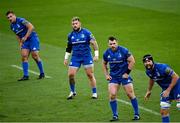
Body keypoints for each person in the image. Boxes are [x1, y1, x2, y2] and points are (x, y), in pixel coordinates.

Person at [102, 36, 140, 121]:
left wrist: (127, 73)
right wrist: (106, 75)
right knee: (112, 95)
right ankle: (115, 115)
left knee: (130, 94)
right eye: (111, 44)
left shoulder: (124, 50)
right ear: (108, 44)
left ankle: (137, 114)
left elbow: (132, 61)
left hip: (124, 76)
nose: (113, 45)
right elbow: (104, 64)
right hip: (114, 77)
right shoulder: (106, 53)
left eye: (114, 43)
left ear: (117, 43)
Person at [64, 17, 99, 100]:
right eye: (73, 24)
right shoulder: (70, 35)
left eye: (76, 23)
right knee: (71, 75)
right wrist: (66, 58)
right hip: (75, 57)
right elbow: (68, 48)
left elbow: (94, 43)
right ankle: (72, 91)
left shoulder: (87, 33)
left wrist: (96, 55)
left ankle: (94, 93)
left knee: (90, 75)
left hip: (86, 56)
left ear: (80, 24)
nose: (74, 25)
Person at [6, 10, 45, 81]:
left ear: (14, 15)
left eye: (11, 16)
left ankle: (42, 73)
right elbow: (17, 35)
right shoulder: (12, 26)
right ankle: (26, 75)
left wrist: (26, 37)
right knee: (24, 56)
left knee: (35, 55)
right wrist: (20, 43)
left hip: (32, 38)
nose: (10, 18)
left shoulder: (21, 20)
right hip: (25, 41)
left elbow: (31, 27)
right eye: (8, 18)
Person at [143, 54, 180, 123]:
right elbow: (152, 78)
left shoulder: (163, 68)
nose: (147, 63)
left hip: (176, 86)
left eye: (149, 61)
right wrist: (149, 90)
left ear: (152, 61)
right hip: (166, 90)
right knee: (163, 110)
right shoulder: (148, 71)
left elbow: (176, 77)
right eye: (145, 62)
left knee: (179, 105)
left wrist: (168, 90)